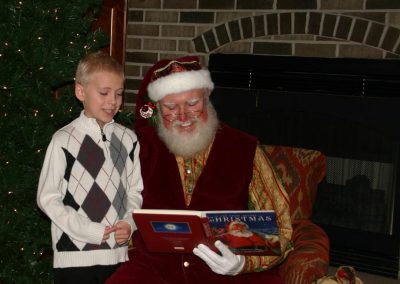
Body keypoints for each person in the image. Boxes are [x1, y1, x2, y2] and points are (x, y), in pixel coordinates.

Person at [106, 56, 293, 284]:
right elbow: (116, 215)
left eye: (193, 103)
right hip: (154, 269)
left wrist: (245, 263)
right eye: (171, 107)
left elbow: (282, 228)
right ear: (157, 108)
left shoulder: (245, 149)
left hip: (229, 271)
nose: (183, 116)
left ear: (207, 99)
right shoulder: (140, 149)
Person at [37, 51, 143, 284]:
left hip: (117, 256)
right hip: (75, 259)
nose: (113, 101)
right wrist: (90, 231)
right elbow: (48, 198)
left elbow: (135, 192)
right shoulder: (63, 140)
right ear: (81, 92)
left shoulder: (129, 139)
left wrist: (129, 223)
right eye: (104, 93)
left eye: (118, 94)